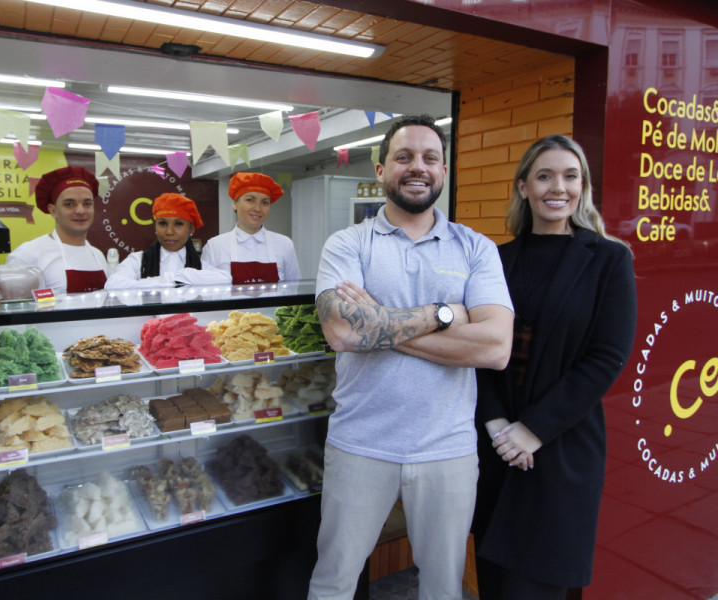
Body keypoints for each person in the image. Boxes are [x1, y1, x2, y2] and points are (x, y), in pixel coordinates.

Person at [307, 115, 514, 600]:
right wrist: (444, 313)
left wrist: (379, 324)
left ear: (443, 170)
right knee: (333, 581)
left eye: (429, 158)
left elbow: (495, 348)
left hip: (448, 450)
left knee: (443, 588)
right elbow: (340, 330)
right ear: (380, 170)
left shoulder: (476, 248)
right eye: (403, 157)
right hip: (359, 444)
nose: (416, 167)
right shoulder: (348, 244)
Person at [472, 135, 637, 600]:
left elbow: (607, 357)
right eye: (544, 175)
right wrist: (500, 423)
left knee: (540, 585)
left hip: (560, 448)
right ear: (523, 186)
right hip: (499, 449)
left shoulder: (608, 259)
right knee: (496, 582)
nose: (557, 187)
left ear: (582, 187)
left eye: (570, 176)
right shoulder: (495, 260)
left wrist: (534, 430)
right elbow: (479, 351)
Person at [7, 166, 107, 294]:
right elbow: (16, 308)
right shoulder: (28, 255)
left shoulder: (97, 255)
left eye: (87, 203)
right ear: (53, 211)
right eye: (69, 204)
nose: (80, 211)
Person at [104, 193, 231, 290]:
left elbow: (226, 279)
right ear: (155, 226)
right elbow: (112, 284)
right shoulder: (138, 260)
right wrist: (164, 280)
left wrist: (181, 276)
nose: (169, 231)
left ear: (191, 229)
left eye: (178, 224)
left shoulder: (201, 265)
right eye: (163, 223)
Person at [201, 171, 300, 284]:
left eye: (265, 202)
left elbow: (294, 289)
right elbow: (206, 292)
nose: (257, 208)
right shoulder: (215, 246)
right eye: (250, 200)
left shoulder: (284, 244)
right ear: (235, 203)